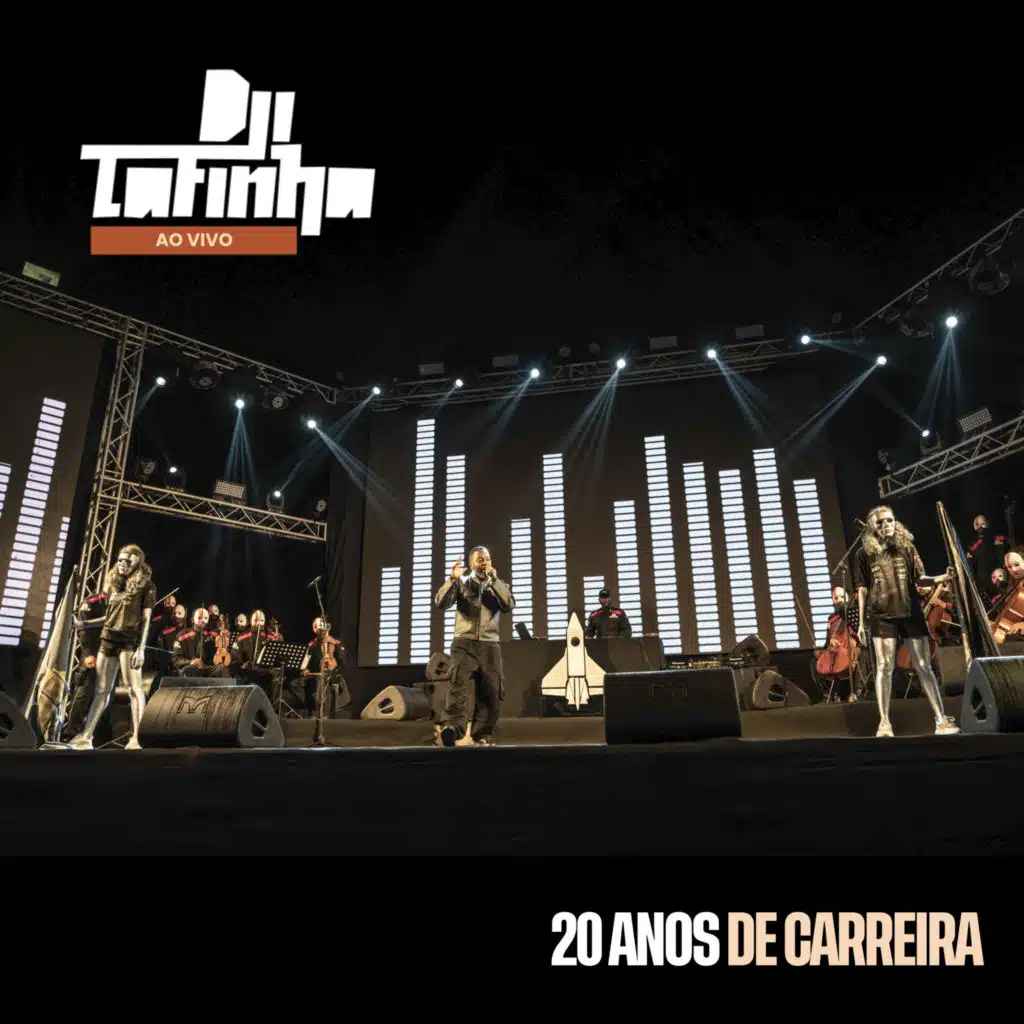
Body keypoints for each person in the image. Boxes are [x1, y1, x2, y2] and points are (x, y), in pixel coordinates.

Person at [854, 506, 958, 737]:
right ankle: (884, 723)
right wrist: (861, 623)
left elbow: (920, 579)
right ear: (872, 526)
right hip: (881, 615)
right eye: (880, 522)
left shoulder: (907, 547)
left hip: (910, 612)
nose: (886, 525)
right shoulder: (863, 554)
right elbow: (862, 589)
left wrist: (943, 576)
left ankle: (941, 720)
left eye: (889, 520)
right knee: (884, 667)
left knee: (923, 665)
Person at [68, 544, 156, 750]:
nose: (123, 563)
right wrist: (84, 624)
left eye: (128, 560)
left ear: (138, 563)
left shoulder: (147, 585)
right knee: (101, 690)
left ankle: (138, 737)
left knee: (134, 689)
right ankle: (86, 736)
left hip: (129, 640)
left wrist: (141, 648)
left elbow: (146, 619)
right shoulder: (114, 582)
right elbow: (109, 617)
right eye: (121, 559)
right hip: (108, 638)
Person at [433, 546, 515, 746]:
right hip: (464, 643)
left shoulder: (498, 585)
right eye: (480, 560)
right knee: (458, 687)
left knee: (491, 691)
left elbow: (509, 604)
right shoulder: (462, 584)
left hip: (490, 645)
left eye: (487, 559)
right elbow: (441, 603)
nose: (484, 562)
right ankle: (452, 728)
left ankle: (483, 735)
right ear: (471, 565)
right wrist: (452, 579)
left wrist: (494, 580)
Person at [170, 607, 232, 679]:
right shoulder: (182, 635)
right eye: (199, 618)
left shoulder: (213, 633)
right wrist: (191, 662)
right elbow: (176, 659)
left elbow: (224, 642)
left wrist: (225, 636)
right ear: (193, 619)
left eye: (205, 618)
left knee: (222, 669)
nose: (203, 620)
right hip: (191, 667)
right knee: (190, 670)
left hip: (207, 668)